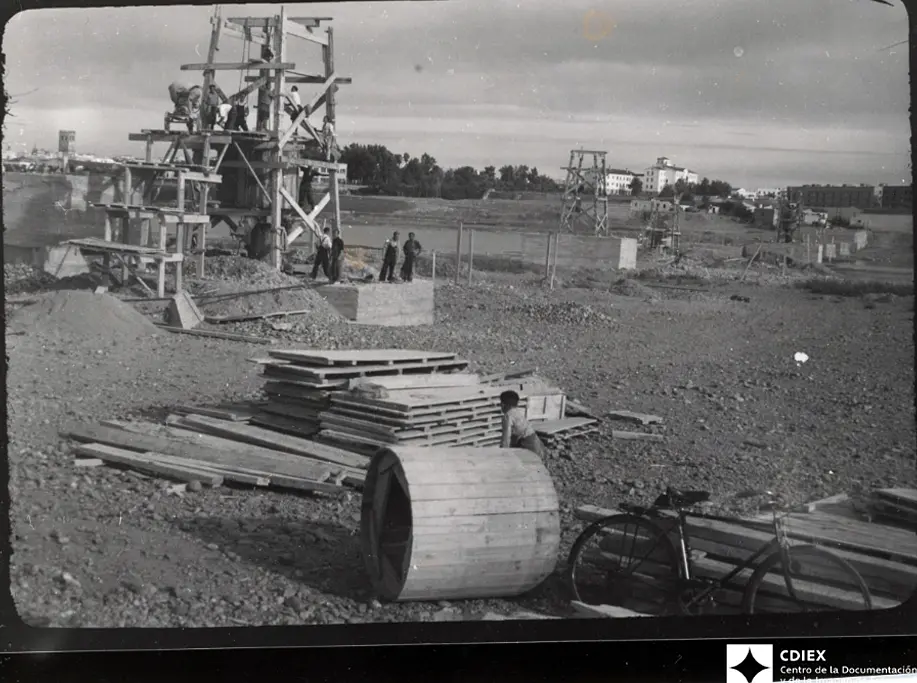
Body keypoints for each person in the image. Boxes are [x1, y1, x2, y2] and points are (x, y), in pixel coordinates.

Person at [500, 390, 546, 456]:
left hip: (529, 447)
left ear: (503, 404)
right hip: (537, 445)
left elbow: (506, 439)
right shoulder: (517, 412)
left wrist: (503, 454)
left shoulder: (508, 416)